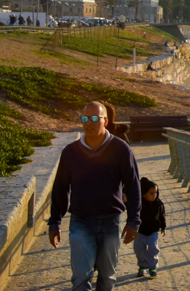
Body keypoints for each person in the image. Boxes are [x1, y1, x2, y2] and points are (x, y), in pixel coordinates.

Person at [48, 102, 141, 291]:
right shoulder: (70, 152)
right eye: (84, 119)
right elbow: (60, 188)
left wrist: (134, 220)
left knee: (107, 278)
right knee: (81, 277)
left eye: (93, 118)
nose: (88, 123)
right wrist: (55, 222)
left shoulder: (121, 149)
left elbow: (133, 185)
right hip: (81, 222)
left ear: (105, 121)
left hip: (111, 221)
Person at [135, 177, 166, 278]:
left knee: (153, 248)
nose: (154, 195)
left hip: (153, 231)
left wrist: (163, 227)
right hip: (139, 231)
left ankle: (152, 267)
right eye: (151, 193)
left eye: (155, 193)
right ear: (143, 194)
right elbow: (130, 210)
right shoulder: (138, 204)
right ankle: (142, 266)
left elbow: (162, 216)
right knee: (139, 250)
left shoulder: (159, 204)